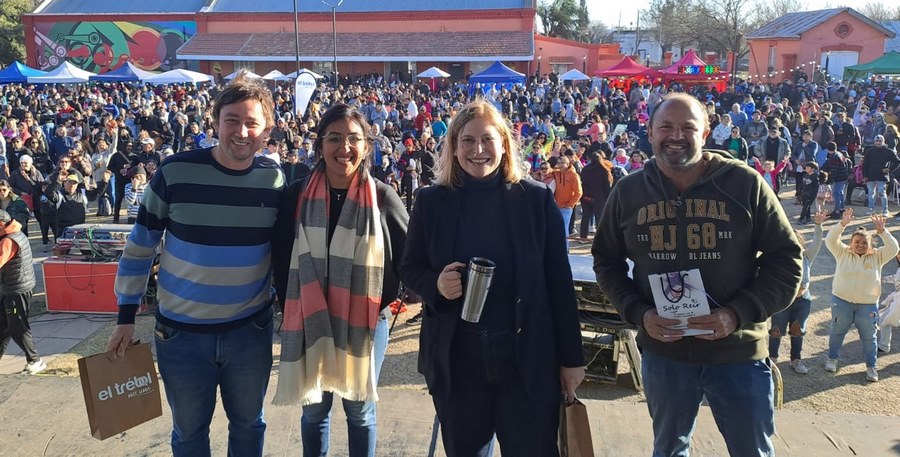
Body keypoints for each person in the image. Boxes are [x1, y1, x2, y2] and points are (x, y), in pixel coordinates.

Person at [592, 93, 802, 456]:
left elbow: (786, 259)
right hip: (665, 354)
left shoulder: (744, 184)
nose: (676, 136)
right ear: (650, 132)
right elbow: (606, 261)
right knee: (669, 450)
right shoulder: (629, 191)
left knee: (751, 451)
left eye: (687, 127)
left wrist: (737, 313)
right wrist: (639, 313)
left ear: (706, 132)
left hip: (738, 352)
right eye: (666, 127)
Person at [106, 74, 285, 456]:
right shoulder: (175, 172)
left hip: (249, 332)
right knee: (188, 434)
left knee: (249, 425)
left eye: (251, 123)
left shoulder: (274, 180)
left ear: (267, 131)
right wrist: (125, 316)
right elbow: (140, 246)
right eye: (232, 120)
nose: (241, 131)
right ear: (215, 121)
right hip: (182, 335)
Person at [400, 100, 585, 456]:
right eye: (468, 140)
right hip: (459, 360)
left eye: (487, 139)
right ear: (454, 147)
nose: (478, 150)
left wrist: (572, 358)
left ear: (504, 143)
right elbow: (410, 267)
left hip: (526, 359)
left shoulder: (536, 200)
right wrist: (435, 284)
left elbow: (559, 283)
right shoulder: (431, 201)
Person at [270, 103, 408, 457]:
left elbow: (409, 255)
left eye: (353, 139)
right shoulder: (296, 195)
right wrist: (287, 305)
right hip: (309, 315)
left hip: (364, 319)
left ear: (367, 146)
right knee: (314, 409)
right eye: (334, 138)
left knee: (359, 411)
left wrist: (388, 299)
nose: (343, 148)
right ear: (319, 144)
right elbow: (280, 253)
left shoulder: (382, 197)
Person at [824, 209, 898, 382]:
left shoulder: (877, 256)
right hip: (841, 301)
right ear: (851, 243)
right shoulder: (842, 252)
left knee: (869, 337)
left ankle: (872, 368)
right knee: (837, 331)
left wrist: (882, 231)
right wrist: (842, 224)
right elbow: (830, 240)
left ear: (870, 244)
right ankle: (832, 359)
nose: (860, 245)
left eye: (865, 243)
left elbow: (894, 248)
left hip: (868, 305)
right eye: (857, 242)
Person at [769, 211, 825, 374]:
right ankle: (772, 359)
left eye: (795, 240)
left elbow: (817, 243)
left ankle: (796, 360)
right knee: (776, 331)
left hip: (802, 301)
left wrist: (818, 225)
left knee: (798, 330)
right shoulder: (778, 257)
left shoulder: (806, 256)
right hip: (782, 301)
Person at [0, 209, 44, 375]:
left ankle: (35, 361)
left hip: (16, 291)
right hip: (11, 288)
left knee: (17, 326)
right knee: (3, 326)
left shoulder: (8, 240)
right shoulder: (16, 233)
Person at [578, 151, 613, 241]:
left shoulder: (585, 169)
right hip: (599, 197)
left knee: (585, 217)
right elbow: (607, 186)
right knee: (599, 218)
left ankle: (583, 237)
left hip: (586, 197)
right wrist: (608, 197)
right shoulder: (604, 170)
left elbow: (582, 182)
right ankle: (600, 238)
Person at [862, 135, 900, 216]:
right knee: (870, 193)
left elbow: (897, 161)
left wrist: (889, 169)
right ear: (874, 142)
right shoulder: (869, 151)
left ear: (883, 142)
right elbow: (865, 164)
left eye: (880, 141)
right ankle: (871, 209)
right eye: (877, 141)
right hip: (870, 175)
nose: (878, 143)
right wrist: (865, 176)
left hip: (882, 176)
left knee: (882, 193)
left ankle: (885, 210)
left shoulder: (889, 151)